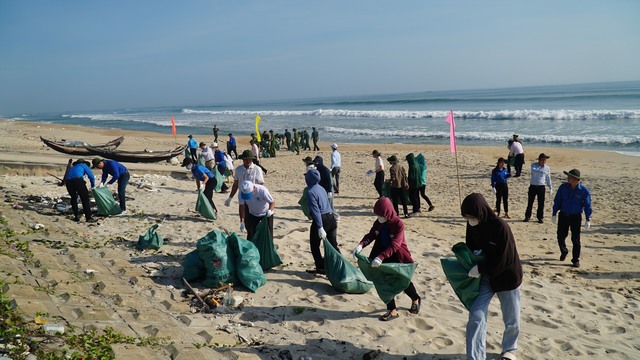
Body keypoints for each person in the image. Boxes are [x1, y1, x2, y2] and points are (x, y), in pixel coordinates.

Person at [460, 193, 522, 360]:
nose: (469, 220)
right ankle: (475, 357)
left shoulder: (500, 227)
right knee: (476, 315)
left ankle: (510, 349)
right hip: (485, 276)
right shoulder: (472, 224)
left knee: (512, 318)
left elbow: (505, 259)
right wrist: (472, 255)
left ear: (481, 212)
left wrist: (480, 268)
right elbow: (470, 245)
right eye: (466, 217)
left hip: (507, 276)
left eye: (471, 216)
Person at [352, 197, 421, 321]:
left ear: (387, 213)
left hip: (397, 256)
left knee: (403, 280)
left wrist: (380, 257)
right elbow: (371, 235)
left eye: (381, 215)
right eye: (377, 215)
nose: (379, 217)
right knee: (383, 281)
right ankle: (392, 310)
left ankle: (415, 299)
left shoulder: (398, 224)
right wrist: (361, 245)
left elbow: (396, 244)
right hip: (382, 254)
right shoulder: (378, 222)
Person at [552, 169, 592, 268]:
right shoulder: (563, 187)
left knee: (575, 239)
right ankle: (564, 251)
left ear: (576, 179)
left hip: (576, 217)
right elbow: (557, 200)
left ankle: (575, 260)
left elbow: (587, 205)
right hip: (563, 215)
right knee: (560, 236)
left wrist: (588, 219)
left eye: (570, 177)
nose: (568, 178)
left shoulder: (583, 190)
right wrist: (554, 213)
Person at [304, 168, 339, 274]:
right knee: (333, 245)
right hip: (331, 218)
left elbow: (316, 211)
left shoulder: (310, 192)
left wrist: (319, 227)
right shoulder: (321, 188)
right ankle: (339, 265)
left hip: (322, 220)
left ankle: (321, 267)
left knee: (314, 246)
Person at [524, 153, 552, 223]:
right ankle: (527, 216)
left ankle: (540, 217)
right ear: (539, 160)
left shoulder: (547, 168)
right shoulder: (534, 165)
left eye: (545, 160)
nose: (544, 161)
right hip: (533, 186)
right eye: (542, 160)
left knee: (541, 203)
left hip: (541, 186)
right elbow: (534, 171)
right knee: (530, 202)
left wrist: (550, 187)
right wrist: (542, 171)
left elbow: (548, 178)